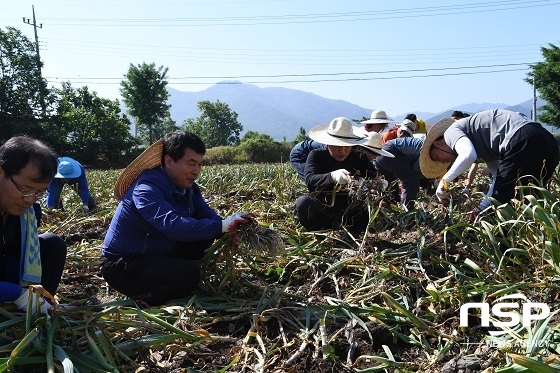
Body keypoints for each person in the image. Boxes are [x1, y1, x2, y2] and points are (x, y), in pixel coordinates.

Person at [100, 131, 253, 306]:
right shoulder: (146, 188)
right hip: (124, 265)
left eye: (200, 164)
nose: (196, 171)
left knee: (206, 236)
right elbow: (171, 224)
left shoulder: (188, 188)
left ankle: (165, 278)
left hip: (158, 250)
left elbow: (205, 213)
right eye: (191, 163)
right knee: (189, 275)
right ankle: (140, 299)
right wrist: (221, 226)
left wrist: (229, 228)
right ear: (169, 161)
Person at [419, 110, 560, 221]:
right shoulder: (484, 143)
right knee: (529, 196)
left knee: (502, 206)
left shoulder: (450, 133)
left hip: (522, 138)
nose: (443, 162)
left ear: (437, 144)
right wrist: (482, 207)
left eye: (437, 157)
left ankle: (504, 253)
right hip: (547, 140)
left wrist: (444, 182)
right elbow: (496, 177)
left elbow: (468, 155)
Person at [0, 136, 67, 315]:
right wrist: (16, 293)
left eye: (39, 192)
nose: (30, 199)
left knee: (53, 245)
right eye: (25, 189)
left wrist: (27, 294)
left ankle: (42, 307)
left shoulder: (29, 213)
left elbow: (15, 253)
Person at [294, 117, 377, 232]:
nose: (342, 150)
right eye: (337, 145)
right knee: (303, 203)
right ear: (328, 143)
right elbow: (310, 180)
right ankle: (321, 231)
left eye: (346, 146)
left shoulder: (359, 157)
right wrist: (332, 176)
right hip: (324, 208)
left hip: (351, 210)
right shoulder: (316, 156)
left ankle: (357, 230)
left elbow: (374, 176)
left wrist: (378, 183)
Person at [374, 136, 434, 210]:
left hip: (382, 153)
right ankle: (406, 210)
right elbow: (415, 172)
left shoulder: (426, 146)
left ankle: (390, 205)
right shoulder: (428, 152)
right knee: (411, 180)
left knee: (391, 184)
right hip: (389, 152)